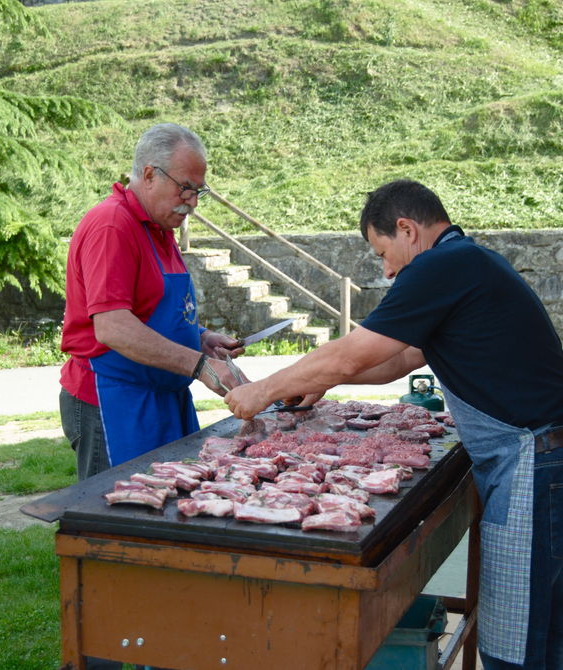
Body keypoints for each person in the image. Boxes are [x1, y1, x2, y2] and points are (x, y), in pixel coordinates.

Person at [225, 179, 563, 670]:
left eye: (383, 252)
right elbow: (399, 357)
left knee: (515, 649)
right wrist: (323, 384)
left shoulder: (441, 266)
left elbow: (353, 351)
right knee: (544, 635)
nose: (385, 270)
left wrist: (263, 389)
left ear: (407, 229)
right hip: (538, 459)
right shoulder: (466, 262)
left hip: (533, 461)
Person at [59, 122, 246, 479]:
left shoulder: (160, 229)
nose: (192, 202)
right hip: (117, 401)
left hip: (161, 396)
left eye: (199, 191)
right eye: (185, 189)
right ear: (148, 174)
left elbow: (152, 308)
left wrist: (200, 337)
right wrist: (199, 365)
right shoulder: (112, 226)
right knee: (121, 518)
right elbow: (113, 326)